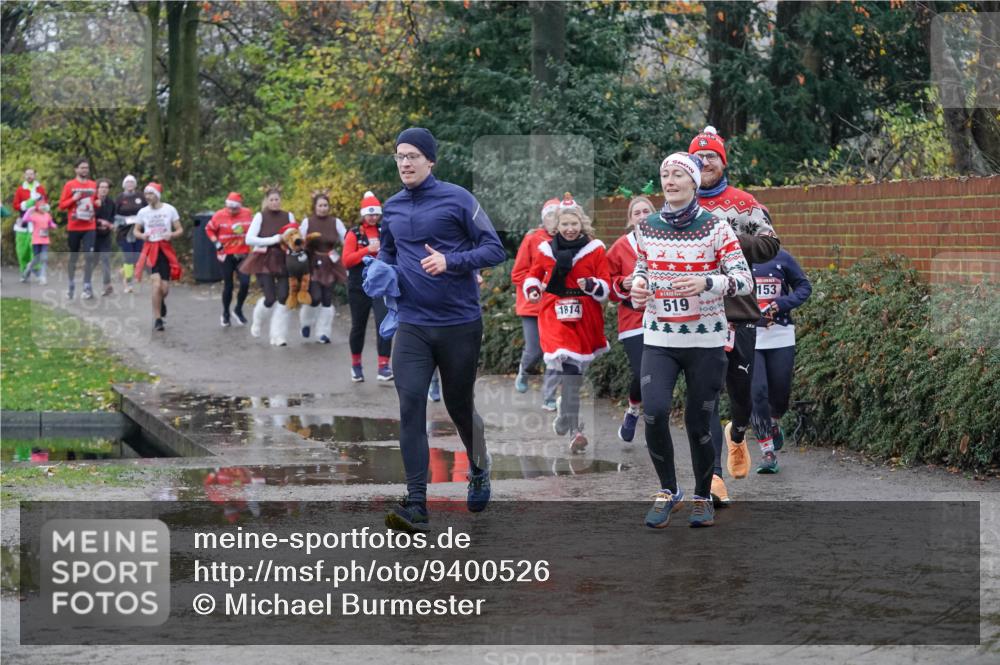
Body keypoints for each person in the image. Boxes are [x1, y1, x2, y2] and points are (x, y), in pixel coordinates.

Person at [378, 127, 505, 533]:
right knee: (410, 405)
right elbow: (388, 248)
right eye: (400, 156)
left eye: (413, 155)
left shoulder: (458, 199)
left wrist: (451, 262)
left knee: (458, 406)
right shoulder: (392, 207)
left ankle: (480, 468)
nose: (405, 163)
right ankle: (416, 503)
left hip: (458, 324)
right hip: (412, 324)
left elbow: (494, 249)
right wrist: (380, 270)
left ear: (430, 160)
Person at [629, 152, 753, 529]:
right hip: (660, 337)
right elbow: (643, 269)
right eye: (665, 174)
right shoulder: (647, 226)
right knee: (653, 412)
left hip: (705, 339)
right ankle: (669, 491)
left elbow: (743, 280)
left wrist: (707, 283)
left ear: (694, 183)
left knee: (699, 424)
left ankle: (702, 495)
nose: (670, 180)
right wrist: (637, 288)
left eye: (679, 174)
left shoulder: (715, 227)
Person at [689, 125, 780, 504]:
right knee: (703, 395)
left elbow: (771, 243)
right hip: (695, 314)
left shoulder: (743, 203)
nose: (705, 162)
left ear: (723, 162)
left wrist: (728, 237)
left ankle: (738, 433)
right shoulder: (681, 207)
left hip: (738, 310)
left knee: (739, 396)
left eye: (711, 156)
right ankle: (711, 478)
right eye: (698, 157)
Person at [524, 196, 610, 453]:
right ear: (557, 226)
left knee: (575, 373)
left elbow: (604, 282)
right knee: (570, 370)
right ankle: (576, 429)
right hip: (554, 313)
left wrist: (593, 285)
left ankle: (564, 415)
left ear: (582, 224)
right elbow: (533, 275)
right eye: (565, 224)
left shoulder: (595, 249)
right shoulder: (546, 250)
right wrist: (533, 290)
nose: (570, 229)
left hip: (584, 315)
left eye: (574, 223)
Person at [750, 248, 812, 473]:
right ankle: (767, 452)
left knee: (781, 393)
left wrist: (781, 304)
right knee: (757, 393)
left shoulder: (782, 257)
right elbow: (726, 296)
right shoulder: (737, 258)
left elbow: (805, 287)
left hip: (780, 334)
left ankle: (774, 420)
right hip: (749, 337)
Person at [607, 195, 655, 442]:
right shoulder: (619, 247)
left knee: (656, 375)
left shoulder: (665, 242)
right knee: (642, 371)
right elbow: (607, 284)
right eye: (637, 212)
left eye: (647, 211)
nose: (642, 215)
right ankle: (634, 409)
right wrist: (621, 283)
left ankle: (652, 425)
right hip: (633, 322)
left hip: (662, 319)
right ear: (630, 219)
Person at [511, 197, 561, 410]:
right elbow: (518, 273)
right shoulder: (532, 239)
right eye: (550, 215)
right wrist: (536, 285)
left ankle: (549, 396)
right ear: (544, 219)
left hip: (557, 305)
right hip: (532, 306)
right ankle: (524, 370)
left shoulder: (568, 239)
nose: (554, 220)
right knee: (534, 350)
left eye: (558, 216)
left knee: (556, 351)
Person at [342, 190, 393, 382]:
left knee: (384, 324)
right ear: (363, 214)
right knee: (358, 326)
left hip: (381, 285)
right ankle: (356, 365)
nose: (372, 217)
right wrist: (367, 250)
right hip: (359, 285)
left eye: (376, 213)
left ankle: (383, 366)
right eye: (369, 213)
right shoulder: (354, 233)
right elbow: (346, 261)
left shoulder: (384, 231)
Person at [240, 188, 296, 346]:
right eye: (271, 200)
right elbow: (249, 239)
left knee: (284, 297)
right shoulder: (260, 216)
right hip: (264, 259)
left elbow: (295, 236)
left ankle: (278, 335)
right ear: (267, 201)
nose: (274, 202)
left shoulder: (288, 216)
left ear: (281, 200)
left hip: (284, 259)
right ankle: (257, 321)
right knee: (270, 298)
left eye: (277, 199)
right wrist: (274, 239)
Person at [299, 192, 348, 345]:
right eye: (320, 205)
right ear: (315, 207)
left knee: (327, 299)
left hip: (330, 262)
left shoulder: (336, 222)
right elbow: (298, 242)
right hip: (313, 263)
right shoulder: (308, 222)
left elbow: (346, 240)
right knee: (315, 298)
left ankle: (323, 333)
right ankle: (306, 322)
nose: (323, 208)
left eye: (325, 205)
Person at [133, 183, 183, 331]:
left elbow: (180, 229)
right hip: (150, 250)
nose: (147, 197)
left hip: (165, 250)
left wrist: (172, 234)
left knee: (165, 288)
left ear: (157, 195)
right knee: (156, 285)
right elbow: (135, 231)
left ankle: (160, 302)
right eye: (146, 194)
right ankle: (158, 319)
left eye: (151, 194)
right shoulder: (143, 212)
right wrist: (142, 235)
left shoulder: (169, 209)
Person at [205, 192, 253, 326]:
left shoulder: (247, 213)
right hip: (225, 254)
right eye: (229, 208)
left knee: (245, 283)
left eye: (235, 208)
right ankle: (225, 313)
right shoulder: (219, 215)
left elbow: (255, 228)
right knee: (229, 285)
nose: (232, 211)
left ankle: (238, 309)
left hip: (243, 254)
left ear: (240, 207)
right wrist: (216, 242)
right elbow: (208, 229)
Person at [58, 158, 98, 300]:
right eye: (82, 168)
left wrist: (97, 203)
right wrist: (74, 198)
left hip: (89, 226)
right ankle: (71, 284)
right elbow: (62, 205)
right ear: (76, 169)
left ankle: (87, 286)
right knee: (73, 256)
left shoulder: (93, 185)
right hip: (74, 226)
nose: (84, 170)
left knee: (89, 256)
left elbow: (95, 202)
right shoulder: (69, 185)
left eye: (86, 168)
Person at [12, 168, 47, 276]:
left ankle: (36, 268)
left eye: (31, 174)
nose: (29, 176)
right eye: (27, 174)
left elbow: (45, 204)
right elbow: (15, 205)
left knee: (36, 247)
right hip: (24, 223)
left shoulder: (40, 189)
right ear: (24, 176)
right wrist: (25, 204)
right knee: (23, 249)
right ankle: (24, 270)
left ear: (35, 175)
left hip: (37, 223)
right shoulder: (20, 190)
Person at [114, 175, 145, 294]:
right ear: (124, 185)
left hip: (138, 231)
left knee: (136, 257)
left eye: (132, 182)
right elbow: (114, 215)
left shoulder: (140, 196)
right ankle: (128, 283)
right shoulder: (120, 198)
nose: (130, 184)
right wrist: (123, 220)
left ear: (135, 184)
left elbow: (147, 211)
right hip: (124, 232)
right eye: (128, 182)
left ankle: (123, 271)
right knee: (128, 257)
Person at [21, 196, 56, 285]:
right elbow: (24, 219)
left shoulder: (47, 215)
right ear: (37, 207)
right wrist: (30, 210)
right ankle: (27, 271)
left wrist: (53, 225)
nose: (42, 207)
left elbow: (50, 223)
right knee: (36, 260)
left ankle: (42, 277)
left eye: (43, 205)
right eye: (40, 205)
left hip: (45, 240)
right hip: (36, 241)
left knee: (44, 258)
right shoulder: (34, 215)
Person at [94, 179, 116, 296]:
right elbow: (88, 217)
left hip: (105, 236)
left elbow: (113, 217)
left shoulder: (111, 202)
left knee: (105, 259)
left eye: (106, 187)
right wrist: (100, 223)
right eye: (101, 187)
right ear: (97, 189)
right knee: (93, 261)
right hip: (92, 236)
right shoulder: (93, 201)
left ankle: (106, 285)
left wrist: (111, 224)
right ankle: (86, 285)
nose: (103, 189)